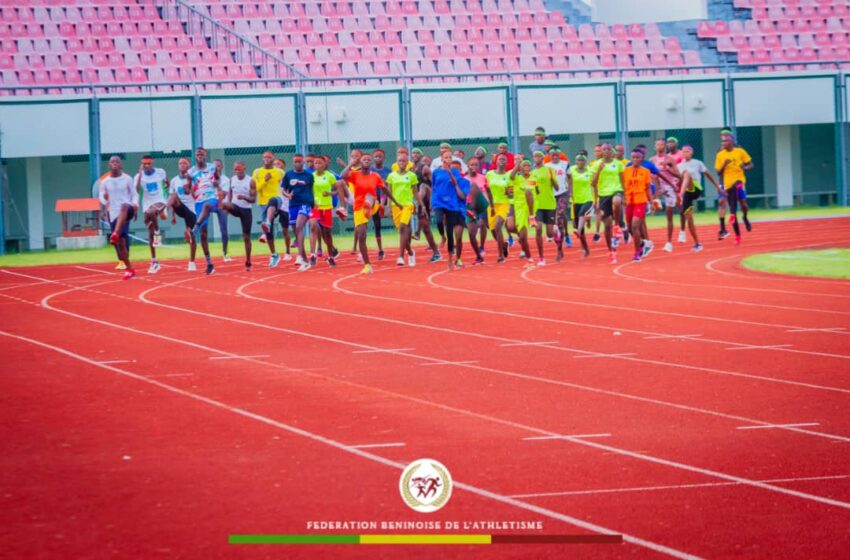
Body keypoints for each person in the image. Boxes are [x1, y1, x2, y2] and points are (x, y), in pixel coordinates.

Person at [340, 152, 384, 274]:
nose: (366, 160)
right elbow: (342, 176)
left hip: (372, 203)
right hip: (358, 207)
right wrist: (350, 164)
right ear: (360, 161)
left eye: (369, 159)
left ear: (371, 162)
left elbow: (384, 189)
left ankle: (373, 206)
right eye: (364, 159)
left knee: (369, 196)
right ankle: (367, 265)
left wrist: (388, 203)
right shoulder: (355, 174)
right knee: (361, 235)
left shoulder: (375, 176)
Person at [99, 155, 138, 280]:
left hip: (127, 210)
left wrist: (135, 204)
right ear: (109, 165)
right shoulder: (105, 182)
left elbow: (134, 194)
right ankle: (129, 269)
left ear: (121, 165)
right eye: (112, 162)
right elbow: (102, 198)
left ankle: (115, 233)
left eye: (117, 161)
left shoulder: (127, 179)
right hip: (114, 214)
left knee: (124, 206)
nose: (115, 163)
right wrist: (104, 200)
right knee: (121, 244)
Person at [678, 145, 721, 253]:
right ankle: (697, 243)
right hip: (687, 194)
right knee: (689, 218)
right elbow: (677, 181)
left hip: (696, 189)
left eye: (687, 151)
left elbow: (708, 175)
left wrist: (717, 187)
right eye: (683, 152)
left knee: (687, 173)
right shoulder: (679, 166)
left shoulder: (697, 163)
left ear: (691, 153)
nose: (685, 153)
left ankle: (680, 194)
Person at [715, 132, 753, 245]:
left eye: (725, 141)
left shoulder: (740, 152)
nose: (723, 143)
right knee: (728, 204)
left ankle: (745, 217)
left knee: (743, 203)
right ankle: (736, 234)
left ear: (731, 141)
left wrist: (745, 167)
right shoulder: (720, 155)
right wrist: (724, 165)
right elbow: (718, 172)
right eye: (722, 141)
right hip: (727, 184)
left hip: (739, 181)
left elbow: (751, 164)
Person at [431, 152, 468, 270]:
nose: (448, 159)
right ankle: (442, 237)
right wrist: (432, 200)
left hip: (451, 203)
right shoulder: (436, 172)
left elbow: (455, 183)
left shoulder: (455, 172)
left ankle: (450, 259)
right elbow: (434, 186)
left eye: (450, 157)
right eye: (446, 157)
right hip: (438, 201)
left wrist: (449, 171)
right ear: (441, 159)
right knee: (438, 220)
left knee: (451, 232)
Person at [590, 143, 626, 264]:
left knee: (616, 201)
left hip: (616, 190)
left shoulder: (619, 164)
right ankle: (611, 251)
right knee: (607, 226)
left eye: (609, 149)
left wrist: (624, 195)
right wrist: (599, 170)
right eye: (604, 149)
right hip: (603, 194)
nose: (606, 151)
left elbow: (622, 180)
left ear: (612, 151)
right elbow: (593, 184)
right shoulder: (596, 165)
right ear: (601, 151)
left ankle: (617, 226)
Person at [188, 147, 221, 275]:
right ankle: (209, 263)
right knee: (204, 234)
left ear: (205, 155)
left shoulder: (212, 167)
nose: (199, 155)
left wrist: (216, 183)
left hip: (212, 198)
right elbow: (189, 187)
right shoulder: (191, 172)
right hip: (199, 202)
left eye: (201, 153)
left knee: (208, 205)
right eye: (197, 154)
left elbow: (217, 178)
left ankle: (194, 228)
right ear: (195, 156)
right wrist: (192, 193)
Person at [386, 148, 421, 267]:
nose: (401, 163)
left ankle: (400, 256)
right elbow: (389, 192)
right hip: (395, 206)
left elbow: (415, 192)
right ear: (396, 163)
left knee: (402, 228)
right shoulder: (391, 176)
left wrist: (420, 205)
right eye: (399, 161)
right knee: (402, 231)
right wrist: (388, 207)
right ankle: (410, 252)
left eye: (403, 161)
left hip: (407, 205)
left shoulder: (412, 176)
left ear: (407, 163)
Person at [310, 155, 346, 268]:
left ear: (324, 164)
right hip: (315, 206)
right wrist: (311, 200)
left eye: (320, 163)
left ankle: (331, 256)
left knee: (327, 232)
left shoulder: (330, 176)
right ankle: (312, 255)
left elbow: (337, 190)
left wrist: (330, 194)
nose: (318, 165)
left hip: (327, 207)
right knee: (313, 226)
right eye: (316, 163)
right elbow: (308, 191)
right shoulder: (311, 177)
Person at [134, 155, 168, 274]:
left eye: (148, 164)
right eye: (144, 164)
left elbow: (166, 182)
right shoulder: (139, 176)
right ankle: (154, 262)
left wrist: (166, 189)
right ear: (142, 165)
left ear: (152, 163)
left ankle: (158, 233)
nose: (147, 166)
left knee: (152, 212)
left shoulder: (160, 172)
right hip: (147, 203)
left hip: (159, 201)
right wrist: (139, 175)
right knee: (149, 232)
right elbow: (137, 190)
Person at [252, 151, 286, 268]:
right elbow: (255, 188)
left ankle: (267, 223)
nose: (266, 159)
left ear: (273, 159)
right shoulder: (257, 172)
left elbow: (284, 187)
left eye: (269, 157)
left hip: (278, 200)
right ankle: (274, 254)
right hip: (263, 203)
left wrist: (287, 196)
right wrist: (265, 180)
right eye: (265, 157)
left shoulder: (280, 172)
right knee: (269, 232)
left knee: (273, 201)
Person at [283, 154, 315, 271]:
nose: (297, 163)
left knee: (299, 226)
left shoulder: (308, 175)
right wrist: (288, 195)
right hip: (293, 205)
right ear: (293, 163)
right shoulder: (288, 175)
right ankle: (305, 260)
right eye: (295, 161)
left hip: (305, 204)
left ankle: (301, 257)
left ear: (303, 163)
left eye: (300, 161)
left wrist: (313, 202)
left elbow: (312, 189)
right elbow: (283, 190)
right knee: (296, 231)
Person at [222, 161, 256, 270]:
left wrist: (244, 197)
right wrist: (228, 207)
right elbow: (230, 194)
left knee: (246, 237)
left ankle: (248, 260)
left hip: (246, 210)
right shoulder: (232, 180)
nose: (237, 171)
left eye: (239, 169)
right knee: (223, 203)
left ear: (244, 168)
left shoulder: (250, 181)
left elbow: (253, 199)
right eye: (235, 169)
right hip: (235, 207)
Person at [651, 138, 682, 253]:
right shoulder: (652, 160)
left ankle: (669, 242)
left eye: (662, 144)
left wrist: (668, 168)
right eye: (657, 144)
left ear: (665, 146)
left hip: (669, 187)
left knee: (669, 215)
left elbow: (678, 175)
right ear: (655, 147)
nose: (659, 146)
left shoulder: (670, 159)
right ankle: (655, 202)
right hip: (657, 188)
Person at [622, 149, 654, 262]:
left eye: (637, 157)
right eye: (633, 157)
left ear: (641, 159)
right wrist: (622, 198)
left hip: (640, 201)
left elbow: (648, 188)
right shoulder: (625, 171)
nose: (635, 159)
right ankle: (642, 243)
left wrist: (652, 202)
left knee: (635, 225)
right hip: (629, 202)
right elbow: (623, 187)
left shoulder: (645, 171)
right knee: (630, 228)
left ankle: (637, 253)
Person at [167, 157, 198, 271]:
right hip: (180, 207)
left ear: (189, 165)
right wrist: (173, 215)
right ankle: (165, 209)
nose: (182, 165)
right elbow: (172, 198)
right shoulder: (174, 181)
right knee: (174, 196)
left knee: (192, 237)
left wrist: (190, 191)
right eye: (180, 163)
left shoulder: (194, 179)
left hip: (192, 210)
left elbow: (198, 197)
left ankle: (192, 262)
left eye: (184, 163)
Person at [530, 151, 557, 266]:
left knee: (549, 233)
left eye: (538, 156)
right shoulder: (532, 173)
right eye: (534, 156)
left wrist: (552, 179)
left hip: (549, 204)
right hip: (538, 205)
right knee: (538, 229)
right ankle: (541, 257)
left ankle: (555, 232)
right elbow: (530, 189)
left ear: (543, 158)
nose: (536, 158)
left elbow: (556, 187)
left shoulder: (549, 170)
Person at [507, 158, 536, 265]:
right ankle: (529, 258)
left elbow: (537, 193)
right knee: (517, 233)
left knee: (528, 192)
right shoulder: (517, 178)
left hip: (530, 207)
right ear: (520, 168)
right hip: (518, 207)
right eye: (524, 165)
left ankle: (532, 217)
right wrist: (518, 163)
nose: (526, 167)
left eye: (528, 165)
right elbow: (511, 176)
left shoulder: (534, 178)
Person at [567, 153, 595, 258]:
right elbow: (567, 179)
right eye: (578, 160)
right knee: (578, 224)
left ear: (585, 162)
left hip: (588, 199)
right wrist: (570, 192)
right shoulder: (572, 170)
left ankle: (578, 231)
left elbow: (595, 181)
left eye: (582, 160)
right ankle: (585, 248)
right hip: (576, 200)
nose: (580, 162)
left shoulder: (590, 171)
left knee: (582, 213)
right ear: (576, 161)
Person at [486, 153, 512, 263]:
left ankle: (500, 255)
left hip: (504, 204)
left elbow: (511, 194)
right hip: (492, 205)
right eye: (500, 159)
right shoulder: (490, 174)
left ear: (506, 163)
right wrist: (489, 204)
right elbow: (487, 189)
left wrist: (509, 193)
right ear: (496, 162)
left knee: (498, 226)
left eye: (504, 159)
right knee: (492, 230)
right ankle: (504, 244)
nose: (502, 160)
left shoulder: (509, 176)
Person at [546, 148, 571, 260]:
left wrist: (570, 191)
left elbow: (570, 177)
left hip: (563, 193)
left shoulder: (565, 164)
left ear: (560, 155)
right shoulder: (546, 166)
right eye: (553, 155)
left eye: (557, 155)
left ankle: (559, 249)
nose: (555, 157)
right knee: (553, 226)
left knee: (560, 217)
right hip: (551, 196)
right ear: (550, 155)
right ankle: (559, 248)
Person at [465, 156, 489, 265]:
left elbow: (486, 192)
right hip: (469, 206)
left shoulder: (483, 177)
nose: (474, 166)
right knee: (471, 233)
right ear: (468, 166)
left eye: (476, 164)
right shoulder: (464, 179)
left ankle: (482, 246)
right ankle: (478, 256)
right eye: (472, 164)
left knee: (482, 224)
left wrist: (488, 204)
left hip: (481, 204)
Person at [371, 149, 391, 260]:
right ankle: (379, 249)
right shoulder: (369, 170)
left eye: (380, 156)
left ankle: (380, 250)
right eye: (376, 156)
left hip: (382, 198)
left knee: (378, 225)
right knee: (363, 226)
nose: (378, 158)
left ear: (384, 158)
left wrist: (383, 204)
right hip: (370, 199)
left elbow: (385, 188)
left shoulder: (387, 171)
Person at [212, 159, 232, 262]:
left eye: (218, 166)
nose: (216, 168)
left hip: (221, 204)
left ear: (221, 167)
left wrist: (217, 186)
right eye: (214, 166)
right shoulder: (207, 178)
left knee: (224, 230)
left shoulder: (225, 180)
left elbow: (223, 194)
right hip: (210, 203)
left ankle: (226, 253)